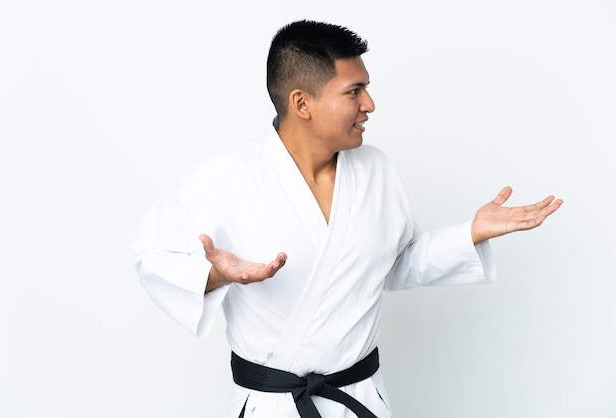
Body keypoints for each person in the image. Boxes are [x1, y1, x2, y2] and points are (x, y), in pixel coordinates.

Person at [131, 19, 562, 418]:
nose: (369, 104)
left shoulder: (376, 170)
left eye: (366, 89)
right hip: (272, 407)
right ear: (302, 103)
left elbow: (394, 263)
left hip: (358, 400)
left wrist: (470, 234)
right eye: (353, 91)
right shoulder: (226, 177)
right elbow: (151, 257)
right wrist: (215, 275)